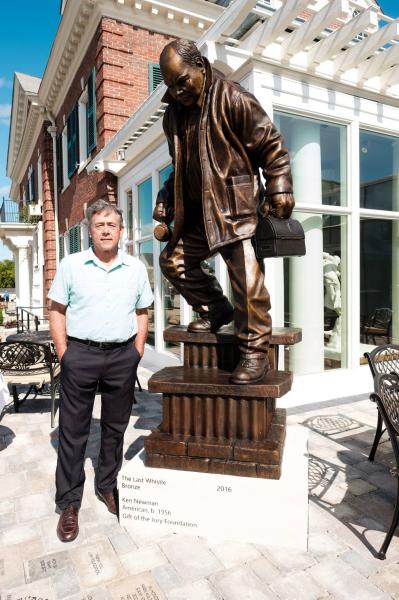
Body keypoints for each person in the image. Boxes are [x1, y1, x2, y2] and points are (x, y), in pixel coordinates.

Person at [154, 39, 294, 384]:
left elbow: (271, 146)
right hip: (199, 214)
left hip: (236, 208)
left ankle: (255, 353)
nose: (178, 90)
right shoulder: (174, 115)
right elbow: (182, 165)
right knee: (173, 262)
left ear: (200, 65)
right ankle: (217, 309)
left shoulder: (232, 97)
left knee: (247, 284)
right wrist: (166, 196)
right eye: (171, 85)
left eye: (182, 80)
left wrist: (280, 185)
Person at [48, 199, 153, 542]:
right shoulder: (71, 265)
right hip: (81, 354)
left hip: (122, 356)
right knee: (72, 431)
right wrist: (65, 353)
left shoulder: (136, 268)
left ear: (121, 231)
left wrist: (137, 351)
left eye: (112, 224)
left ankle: (107, 485)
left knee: (115, 428)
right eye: (99, 225)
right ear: (90, 231)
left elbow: (142, 312)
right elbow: (57, 310)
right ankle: (68, 502)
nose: (106, 230)